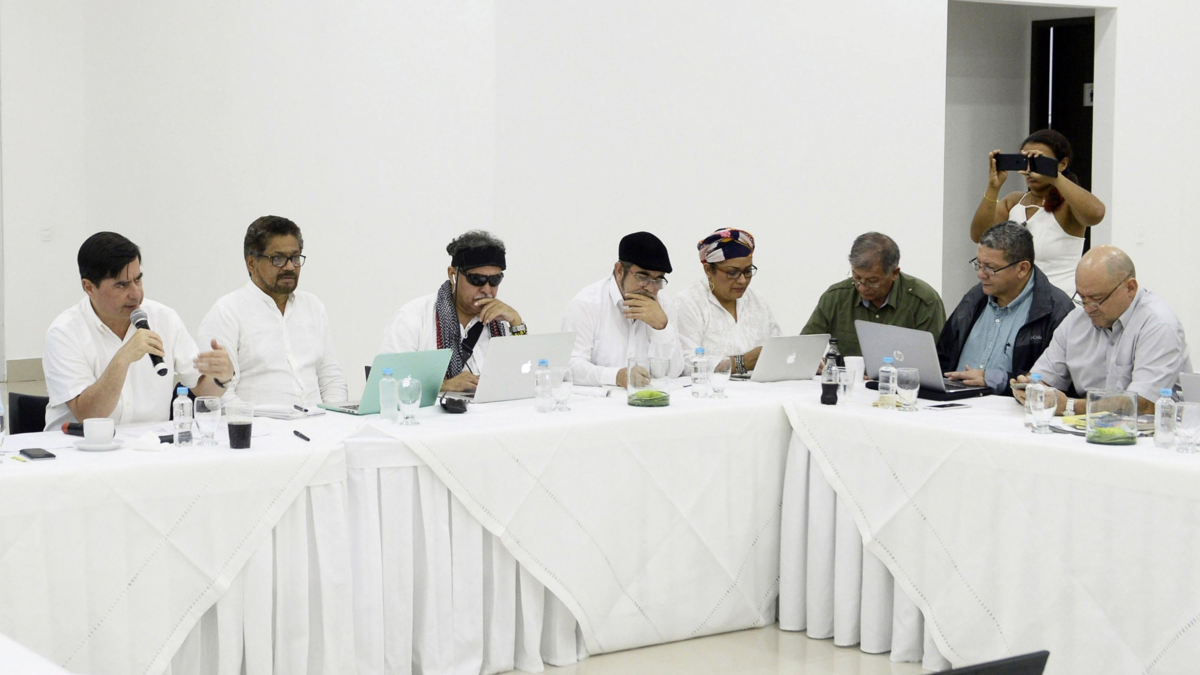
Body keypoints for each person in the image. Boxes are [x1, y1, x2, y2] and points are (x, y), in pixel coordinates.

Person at [42, 232, 234, 430]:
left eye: (138, 280)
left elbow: (202, 389)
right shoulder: (64, 333)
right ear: (89, 287)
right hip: (79, 445)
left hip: (151, 442)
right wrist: (123, 358)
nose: (136, 293)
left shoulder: (164, 318)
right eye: (121, 285)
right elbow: (88, 415)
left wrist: (222, 377)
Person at [1012, 246, 1192, 415]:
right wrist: (1031, 389)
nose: (1088, 308)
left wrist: (1069, 406)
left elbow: (1144, 404)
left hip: (1153, 432)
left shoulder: (1158, 324)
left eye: (1097, 299)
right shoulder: (1075, 321)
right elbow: (1044, 377)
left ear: (1130, 288)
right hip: (1087, 427)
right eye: (1082, 298)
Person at [198, 216, 347, 407]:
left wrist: (334, 418)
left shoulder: (313, 306)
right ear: (251, 263)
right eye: (278, 259)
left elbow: (331, 379)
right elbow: (220, 395)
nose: (290, 267)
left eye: (295, 258)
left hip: (319, 421)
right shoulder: (227, 312)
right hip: (257, 424)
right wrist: (253, 421)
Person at [380, 230, 527, 393]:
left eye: (495, 280)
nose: (486, 289)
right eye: (477, 279)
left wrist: (516, 323)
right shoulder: (413, 318)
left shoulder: (500, 321)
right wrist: (443, 386)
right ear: (453, 275)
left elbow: (524, 379)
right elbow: (386, 384)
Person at [937, 222, 1074, 394]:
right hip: (954, 401)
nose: (980, 274)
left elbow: (1050, 385)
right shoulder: (975, 297)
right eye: (978, 264)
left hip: (1012, 407)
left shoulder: (1056, 310)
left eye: (990, 268)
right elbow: (943, 356)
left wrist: (993, 380)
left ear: (1022, 269)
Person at [970, 128, 1107, 296]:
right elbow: (980, 236)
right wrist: (993, 187)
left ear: (1062, 164)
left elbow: (1096, 214)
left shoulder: (1068, 204)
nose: (1031, 169)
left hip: (1061, 300)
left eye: (1038, 162)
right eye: (1026, 161)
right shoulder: (1014, 202)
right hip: (1018, 299)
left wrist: (1053, 177)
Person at [562, 231, 684, 387]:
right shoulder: (587, 304)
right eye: (643, 277)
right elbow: (570, 366)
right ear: (619, 270)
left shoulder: (665, 306)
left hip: (650, 397)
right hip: (599, 400)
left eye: (658, 280)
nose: (650, 288)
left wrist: (661, 328)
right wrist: (616, 376)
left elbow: (673, 373)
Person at [801, 232, 945, 357]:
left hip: (898, 381)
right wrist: (812, 361)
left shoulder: (924, 301)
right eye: (857, 277)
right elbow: (803, 348)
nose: (862, 287)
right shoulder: (836, 297)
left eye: (872, 281)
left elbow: (931, 362)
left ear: (894, 273)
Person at [674, 228, 781, 376]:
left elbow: (778, 347)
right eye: (732, 272)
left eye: (748, 271)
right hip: (711, 389)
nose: (742, 280)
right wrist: (740, 363)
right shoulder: (689, 303)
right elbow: (684, 363)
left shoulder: (757, 300)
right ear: (708, 270)